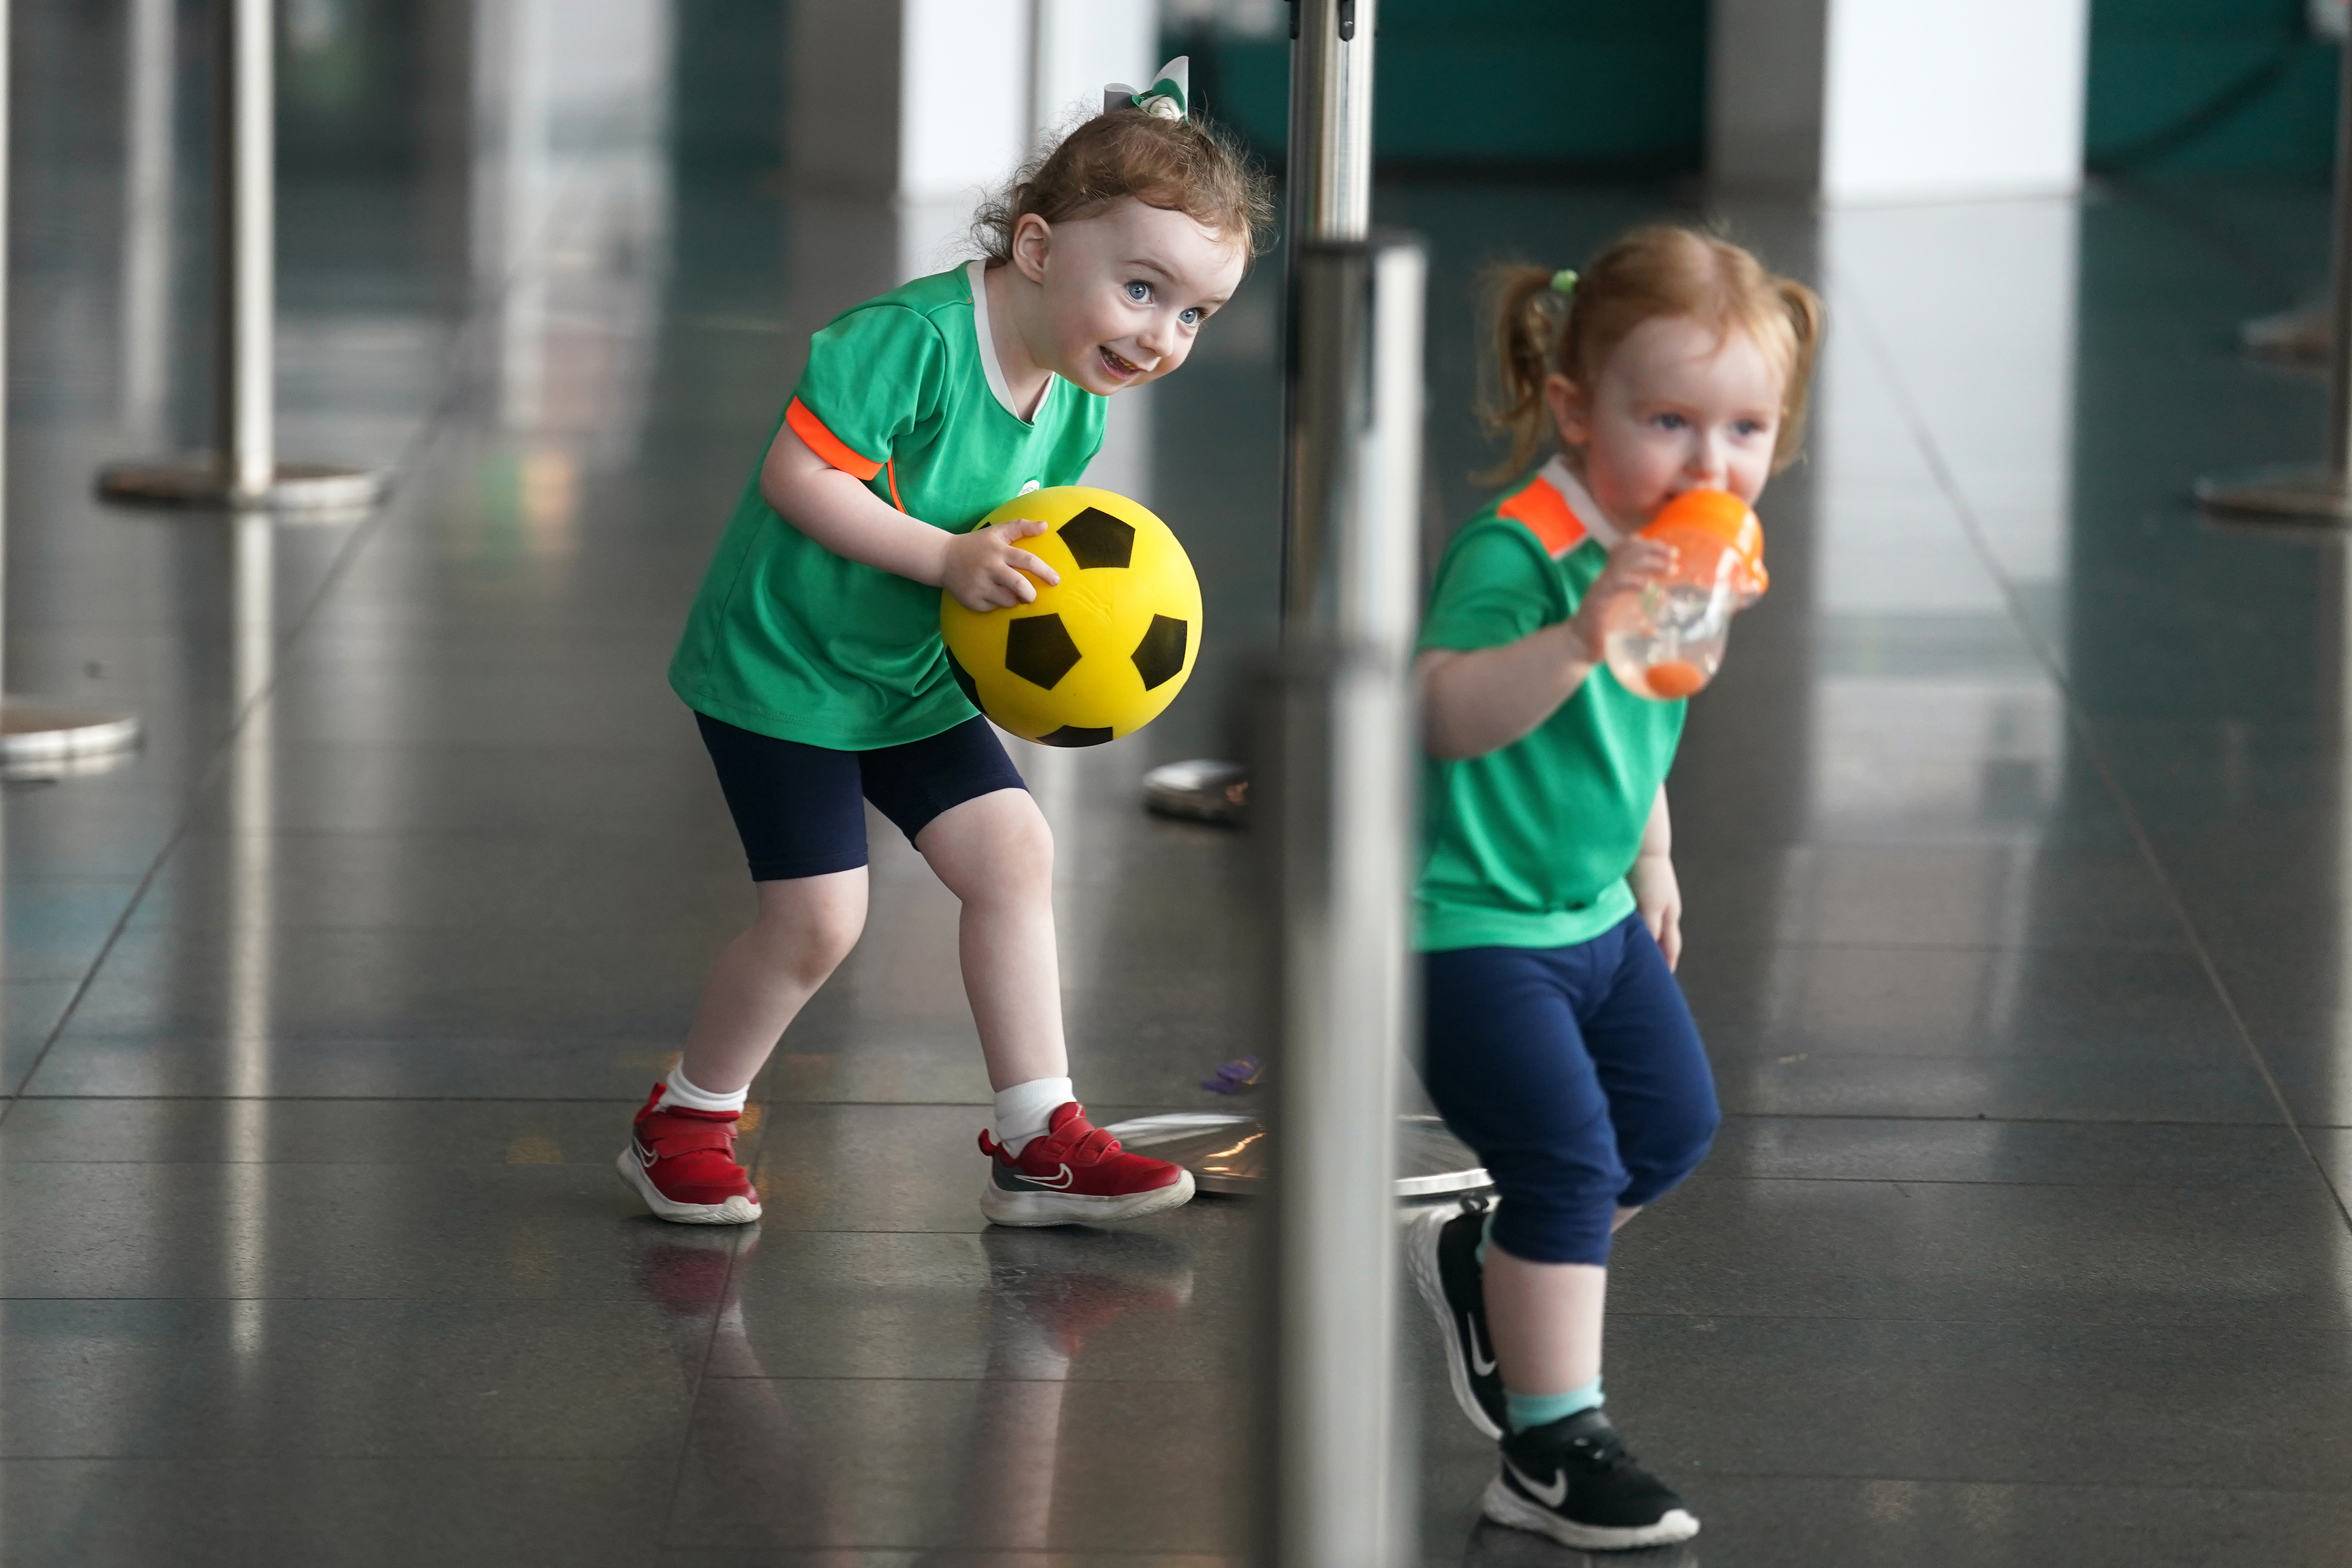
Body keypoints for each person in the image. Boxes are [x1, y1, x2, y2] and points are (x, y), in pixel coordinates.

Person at [628, 61, 1273, 1228]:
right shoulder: (913, 340)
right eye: (1140, 289)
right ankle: (686, 1117)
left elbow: (1020, 540)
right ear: (1036, 249)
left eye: (1192, 314)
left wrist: (1037, 625)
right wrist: (946, 562)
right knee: (819, 920)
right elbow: (800, 476)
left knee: (1013, 855)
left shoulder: (1078, 390)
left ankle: (1040, 1138)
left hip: (911, 675)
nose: (1161, 335)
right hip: (787, 669)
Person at [1405, 226, 1823, 1550]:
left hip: (1590, 908)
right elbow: (1443, 714)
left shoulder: (1695, 547)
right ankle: (1551, 1442)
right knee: (1571, 1166)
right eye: (1671, 422)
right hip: (1466, 924)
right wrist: (1579, 634)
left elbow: (1641, 722)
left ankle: (1489, 1263)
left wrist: (1651, 853)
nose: (1714, 465)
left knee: (1669, 1133)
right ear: (1578, 411)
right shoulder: (1521, 548)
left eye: (1746, 429)